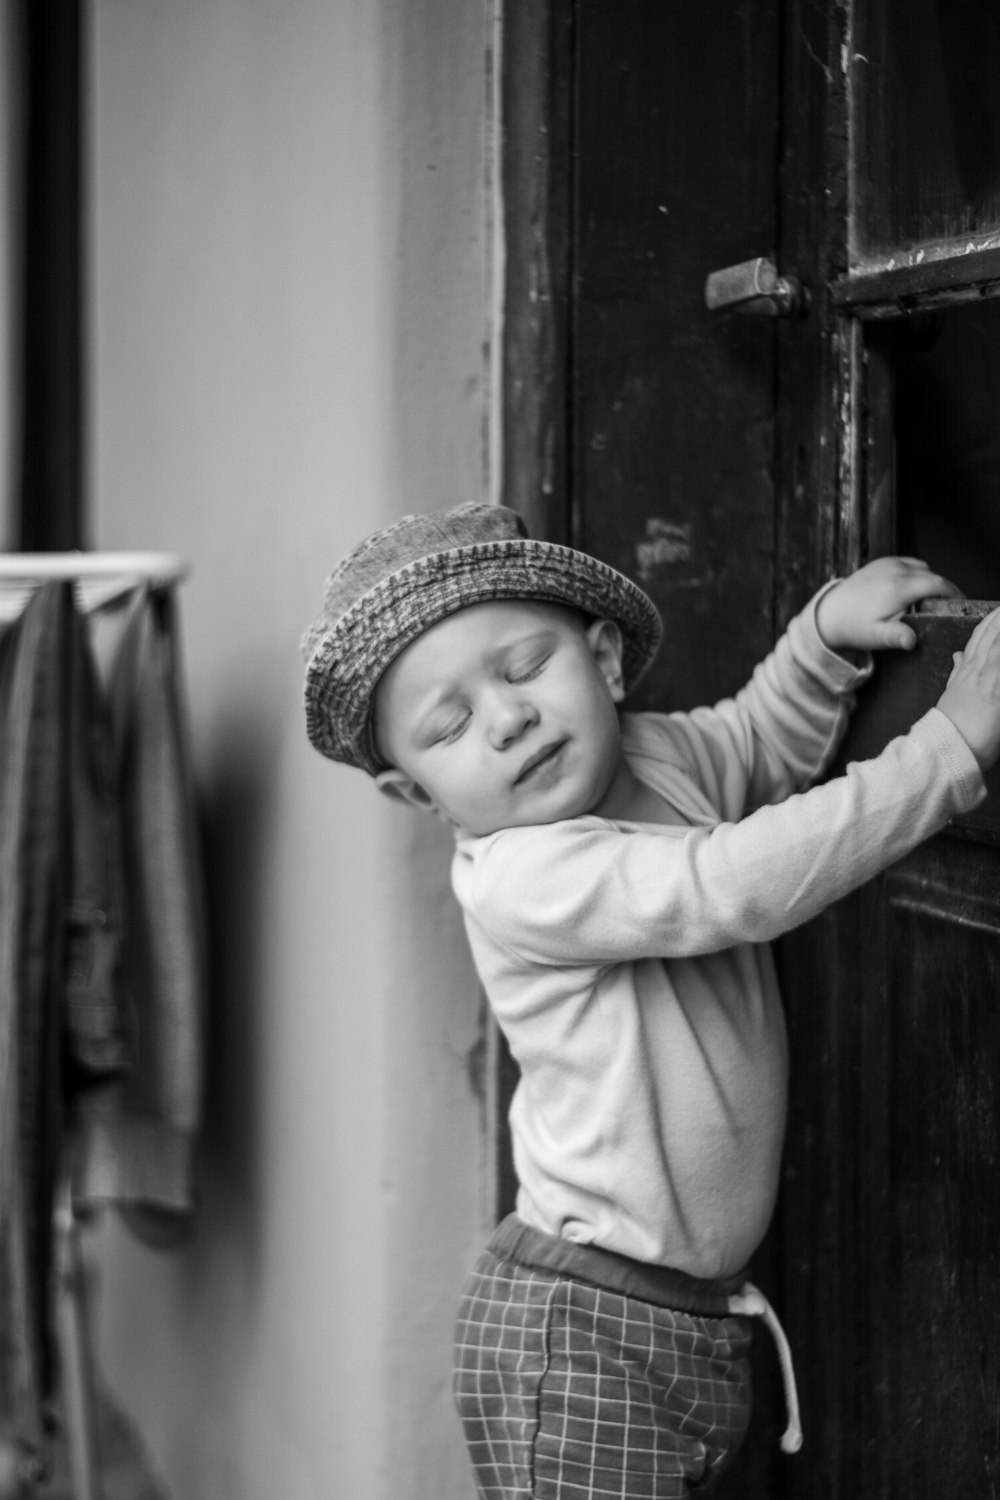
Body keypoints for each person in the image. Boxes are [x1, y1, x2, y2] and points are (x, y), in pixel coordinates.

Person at [301, 502, 1000, 1498]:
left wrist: (821, 642)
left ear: (605, 661)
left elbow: (754, 743)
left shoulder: (654, 758)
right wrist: (948, 749)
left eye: (525, 667)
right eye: (449, 727)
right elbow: (729, 884)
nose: (505, 720)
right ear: (421, 797)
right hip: (577, 1328)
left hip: (680, 1317)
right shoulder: (522, 877)